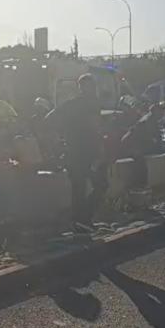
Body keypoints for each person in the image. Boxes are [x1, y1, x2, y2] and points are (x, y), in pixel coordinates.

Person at [46, 74, 106, 231]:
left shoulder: (70, 104)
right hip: (89, 152)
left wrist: (60, 139)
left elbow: (48, 119)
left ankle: (80, 221)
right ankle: (83, 218)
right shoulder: (92, 104)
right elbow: (96, 128)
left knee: (78, 188)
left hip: (73, 152)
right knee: (101, 185)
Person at [121, 103, 163, 188]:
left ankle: (140, 184)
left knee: (142, 161)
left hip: (135, 144)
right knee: (140, 163)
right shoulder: (148, 120)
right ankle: (139, 185)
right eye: (160, 112)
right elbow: (147, 136)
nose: (162, 114)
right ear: (155, 112)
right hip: (131, 144)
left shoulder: (151, 119)